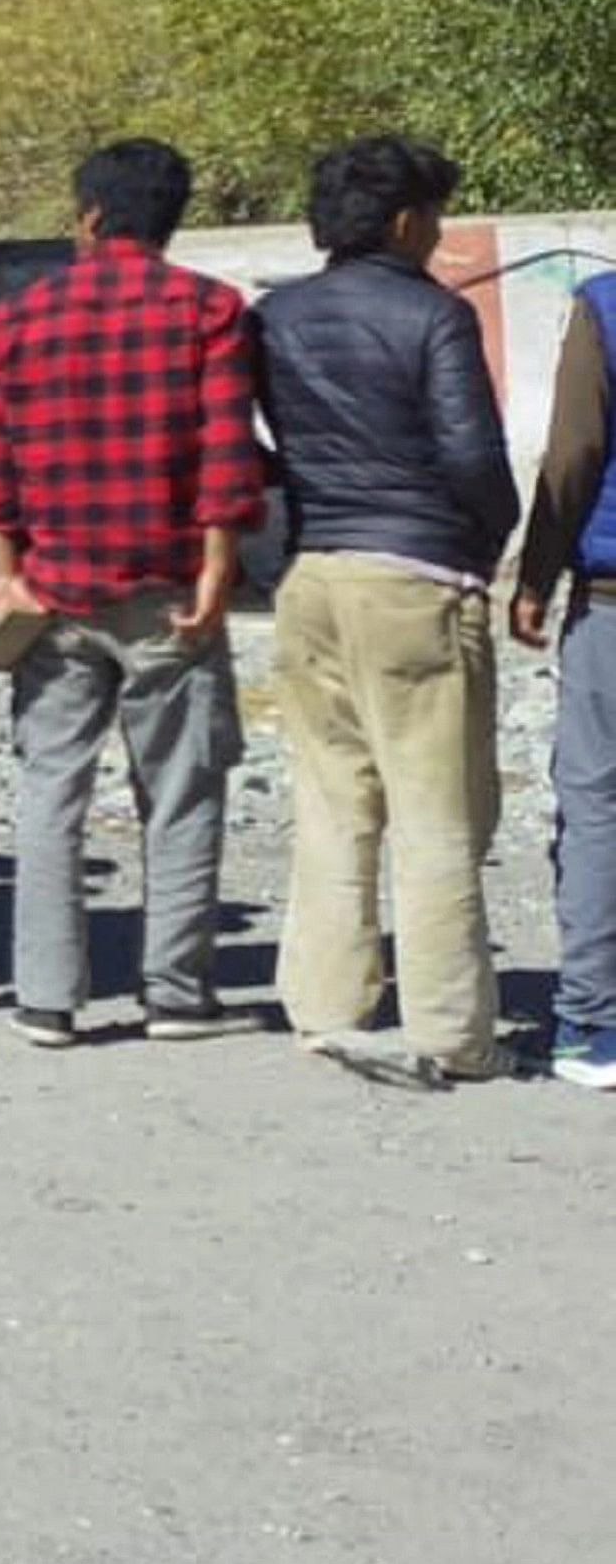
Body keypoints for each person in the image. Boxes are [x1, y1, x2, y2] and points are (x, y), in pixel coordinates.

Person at [0, 140, 268, 1049]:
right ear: (169, 219)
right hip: (170, 588)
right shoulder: (210, 310)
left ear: (89, 216)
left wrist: (2, 576)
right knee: (180, 789)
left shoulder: (16, 318)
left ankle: (46, 997)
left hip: (52, 590)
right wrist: (218, 568)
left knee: (50, 788)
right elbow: (225, 450)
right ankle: (175, 993)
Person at [255, 138, 518, 1089]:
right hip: (416, 578)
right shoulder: (435, 317)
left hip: (311, 575)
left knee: (332, 804)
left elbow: (260, 452)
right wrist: (493, 544)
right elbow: (472, 458)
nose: (441, 233)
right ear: (405, 220)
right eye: (434, 217)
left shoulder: (274, 316)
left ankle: (324, 1005)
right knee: (436, 811)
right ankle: (449, 1030)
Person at [512, 243, 616, 1093]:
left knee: (595, 804)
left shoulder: (603, 304)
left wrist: (534, 576)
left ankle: (591, 1023)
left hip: (613, 604)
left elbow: (573, 454)